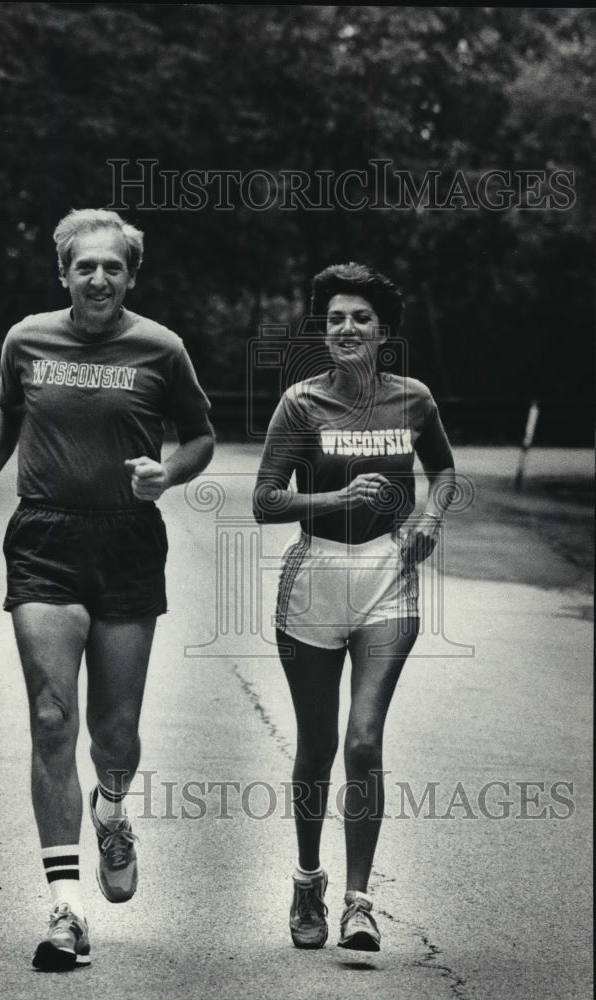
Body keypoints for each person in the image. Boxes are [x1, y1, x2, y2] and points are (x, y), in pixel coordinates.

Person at [0, 208, 214, 970]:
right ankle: (66, 908)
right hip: (46, 540)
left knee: (115, 735)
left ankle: (111, 808)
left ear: (130, 276)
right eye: (84, 266)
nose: (97, 278)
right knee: (49, 716)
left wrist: (167, 472)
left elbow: (201, 435)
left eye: (111, 267)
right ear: (62, 273)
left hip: (128, 545)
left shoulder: (161, 348)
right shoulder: (27, 339)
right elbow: (5, 406)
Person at [253, 262, 455, 953]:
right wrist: (335, 498)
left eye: (361, 318)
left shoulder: (414, 401)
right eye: (335, 318)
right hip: (314, 575)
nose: (346, 328)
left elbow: (444, 470)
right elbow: (265, 501)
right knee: (317, 746)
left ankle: (358, 902)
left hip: (386, 577)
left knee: (363, 740)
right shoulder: (300, 404)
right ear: (323, 329)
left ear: (383, 332)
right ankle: (308, 878)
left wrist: (430, 517)